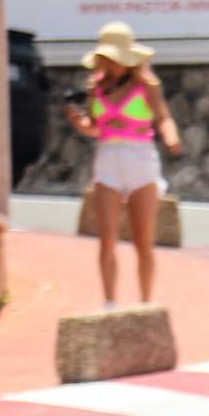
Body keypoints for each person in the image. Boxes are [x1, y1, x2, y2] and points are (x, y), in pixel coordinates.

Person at [64, 22, 180, 307]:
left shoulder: (146, 85)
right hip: (108, 158)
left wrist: (170, 135)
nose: (111, 64)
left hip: (141, 158)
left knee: (143, 240)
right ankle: (110, 302)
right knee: (107, 238)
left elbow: (162, 116)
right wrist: (80, 123)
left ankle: (144, 304)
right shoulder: (97, 87)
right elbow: (96, 127)